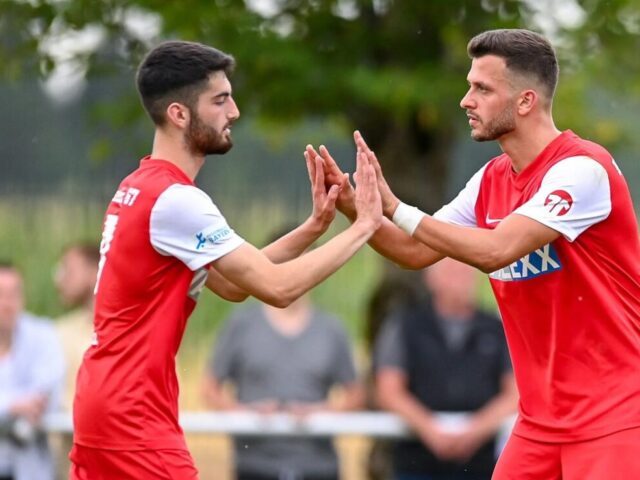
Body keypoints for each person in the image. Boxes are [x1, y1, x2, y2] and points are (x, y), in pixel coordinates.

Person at [315, 28, 640, 479]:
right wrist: (357, 207)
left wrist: (396, 208)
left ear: (525, 101)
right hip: (539, 424)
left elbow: (497, 250)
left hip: (616, 418)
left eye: (482, 89)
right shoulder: (490, 179)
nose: (466, 100)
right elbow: (412, 250)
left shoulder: (583, 170)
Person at [69, 40, 381, 480]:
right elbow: (277, 288)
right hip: (133, 417)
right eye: (220, 100)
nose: (233, 112)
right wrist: (364, 226)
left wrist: (314, 227)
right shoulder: (176, 200)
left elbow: (234, 284)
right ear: (179, 114)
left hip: (104, 403)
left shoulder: (141, 186)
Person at [202, 268, 364, 480]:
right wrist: (248, 414)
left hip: (318, 467)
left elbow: (356, 394)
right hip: (255, 466)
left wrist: (319, 413)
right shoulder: (242, 324)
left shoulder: (331, 329)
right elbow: (210, 389)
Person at [374, 258, 517, 480]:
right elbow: (388, 390)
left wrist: (476, 430)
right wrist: (429, 430)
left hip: (480, 464)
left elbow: (516, 392)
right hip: (416, 463)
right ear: (430, 279)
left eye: (465, 271)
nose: (459, 279)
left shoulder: (497, 328)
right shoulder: (405, 325)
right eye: (451, 271)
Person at [0, 262, 65, 480]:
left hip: (29, 468)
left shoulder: (43, 334)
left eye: (14, 294)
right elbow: (26, 402)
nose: (7, 303)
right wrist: (12, 405)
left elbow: (45, 396)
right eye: (1, 294)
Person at [54, 242, 99, 411]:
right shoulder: (59, 330)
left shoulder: (135, 329)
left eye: (69, 270)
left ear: (95, 271)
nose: (59, 279)